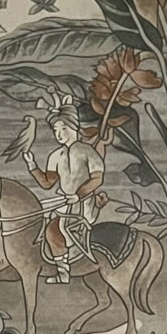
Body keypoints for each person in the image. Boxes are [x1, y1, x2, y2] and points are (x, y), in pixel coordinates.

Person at [22, 110, 105, 281]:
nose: (59, 134)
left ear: (74, 128)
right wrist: (32, 166)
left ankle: (63, 272)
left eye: (63, 128)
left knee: (53, 229)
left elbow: (97, 179)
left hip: (83, 203)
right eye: (55, 130)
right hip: (64, 202)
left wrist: (78, 195)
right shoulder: (55, 156)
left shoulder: (87, 151)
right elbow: (47, 182)